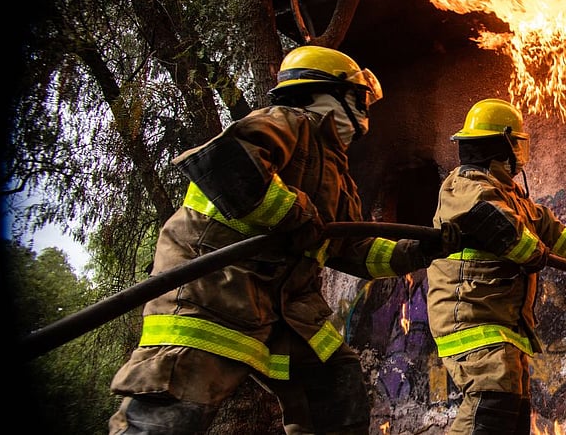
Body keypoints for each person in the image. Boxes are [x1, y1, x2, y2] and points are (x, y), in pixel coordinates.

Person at [108, 45, 460, 435]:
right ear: (324, 92)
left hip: (286, 307)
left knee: (336, 387)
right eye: (358, 99)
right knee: (173, 412)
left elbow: (351, 248)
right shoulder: (286, 121)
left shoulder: (336, 171)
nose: (365, 112)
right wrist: (298, 215)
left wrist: (423, 249)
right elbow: (227, 166)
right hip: (216, 291)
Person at [426, 97, 566, 434]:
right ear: (502, 144)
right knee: (491, 408)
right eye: (516, 144)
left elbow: (551, 229)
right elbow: (509, 233)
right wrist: (536, 253)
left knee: (514, 415)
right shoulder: (466, 188)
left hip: (502, 323)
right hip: (472, 321)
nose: (520, 155)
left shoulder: (509, 193)